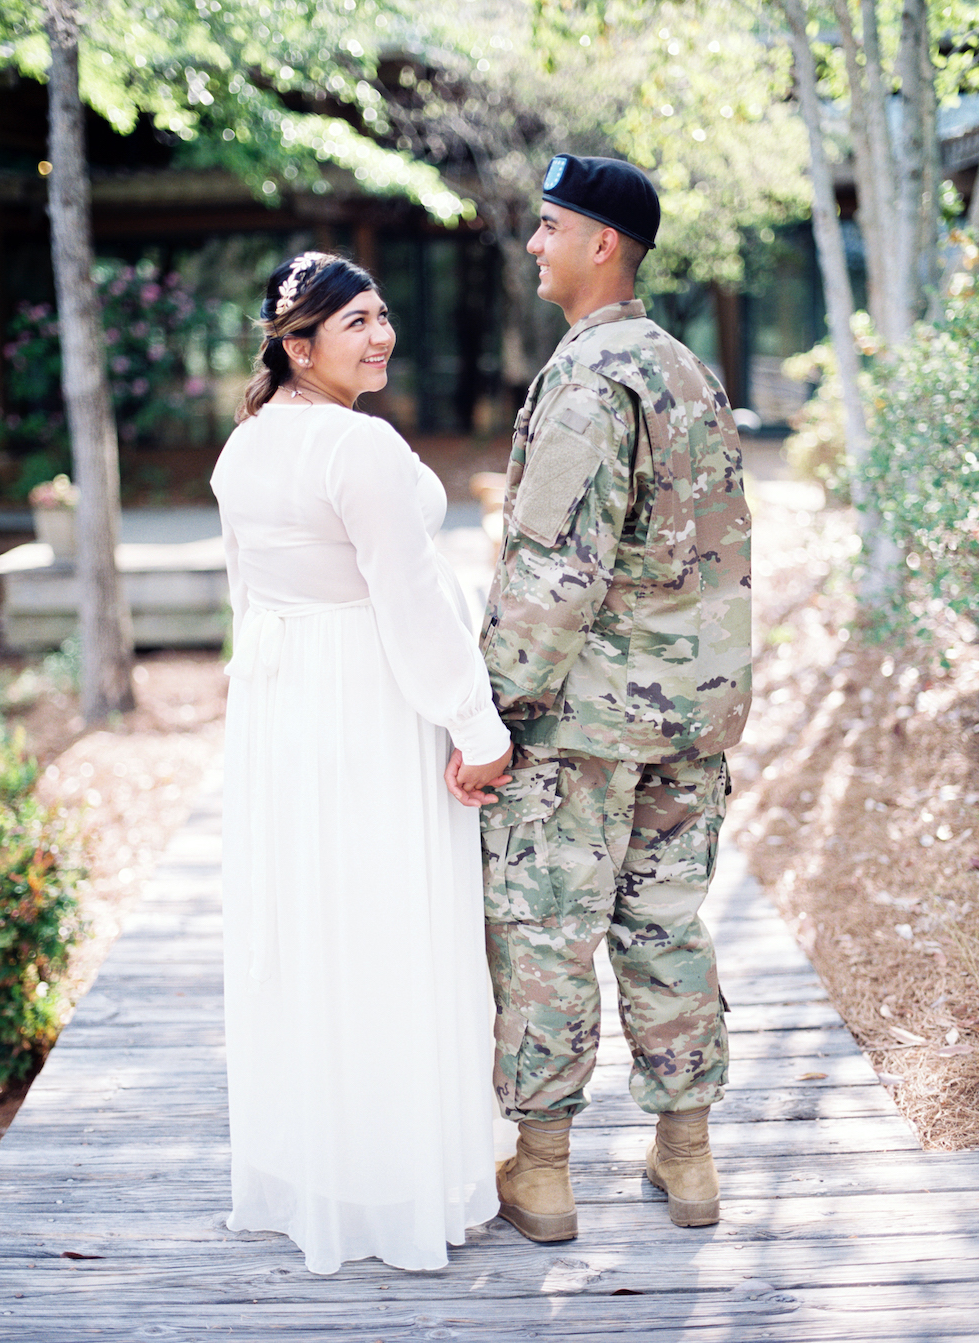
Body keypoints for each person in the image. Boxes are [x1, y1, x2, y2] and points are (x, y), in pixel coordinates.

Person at [446, 154, 752, 1240]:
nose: (533, 244)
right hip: (691, 708)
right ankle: (688, 1156)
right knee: (666, 921)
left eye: (548, 226)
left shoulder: (588, 378)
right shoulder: (686, 370)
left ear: (602, 244)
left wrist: (486, 715)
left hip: (582, 720)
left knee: (546, 930)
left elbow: (551, 575)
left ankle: (541, 1170)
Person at [211, 251, 513, 1275]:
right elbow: (414, 604)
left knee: (316, 924)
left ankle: (330, 1164)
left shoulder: (245, 446)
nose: (380, 335)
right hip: (369, 699)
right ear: (298, 345)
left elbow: (245, 594)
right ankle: (397, 1175)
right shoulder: (358, 446)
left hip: (288, 705)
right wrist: (477, 726)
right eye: (354, 323)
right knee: (385, 921)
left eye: (382, 315)